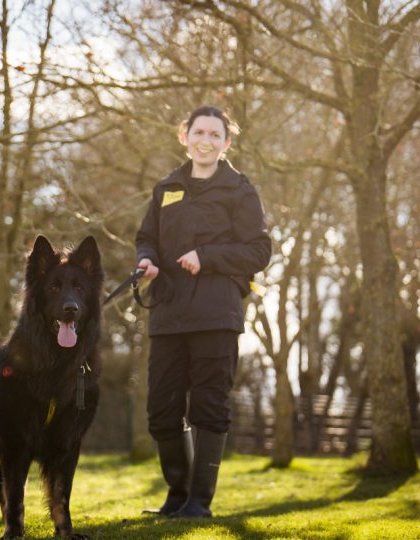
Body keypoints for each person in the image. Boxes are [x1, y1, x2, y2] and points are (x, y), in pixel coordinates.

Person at [136, 105, 271, 518]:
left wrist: (207, 256)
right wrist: (147, 261)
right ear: (185, 136)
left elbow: (259, 250)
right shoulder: (166, 188)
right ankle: (176, 497)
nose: (206, 141)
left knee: (209, 407)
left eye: (216, 135)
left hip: (216, 314)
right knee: (161, 410)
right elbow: (146, 238)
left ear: (226, 143)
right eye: (200, 133)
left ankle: (199, 502)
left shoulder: (240, 189)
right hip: (168, 313)